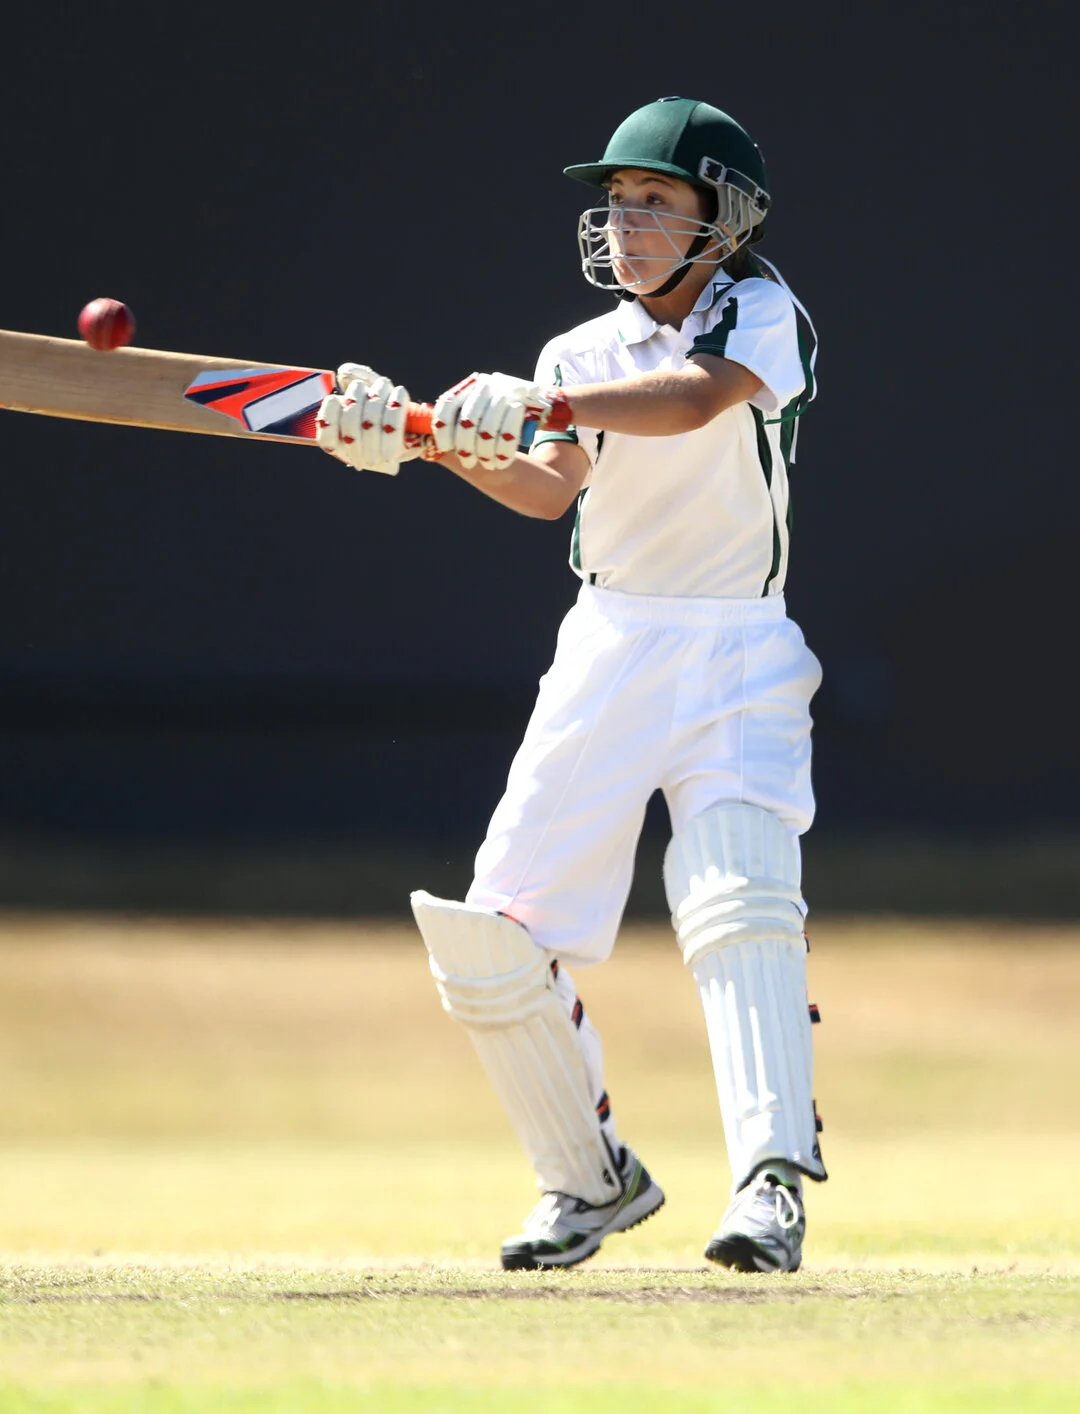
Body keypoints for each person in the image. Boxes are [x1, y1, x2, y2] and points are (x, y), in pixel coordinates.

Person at [314, 97, 824, 1273]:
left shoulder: (761, 311)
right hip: (609, 645)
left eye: (656, 201)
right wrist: (423, 438)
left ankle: (770, 1187)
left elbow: (692, 399)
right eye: (618, 202)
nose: (627, 223)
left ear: (725, 217)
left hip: (740, 651)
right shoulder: (576, 353)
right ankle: (589, 1180)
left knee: (740, 900)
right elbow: (549, 488)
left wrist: (538, 403)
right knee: (490, 936)